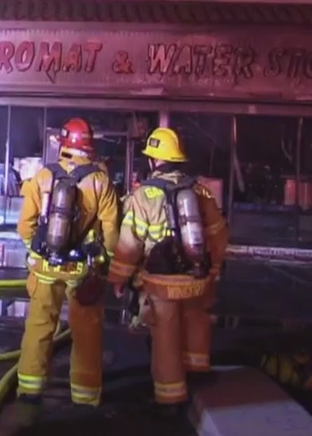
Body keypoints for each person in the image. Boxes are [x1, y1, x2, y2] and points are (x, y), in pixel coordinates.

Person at [108, 127, 230, 413]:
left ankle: (170, 398)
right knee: (196, 320)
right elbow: (218, 235)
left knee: (166, 336)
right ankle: (197, 372)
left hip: (161, 284)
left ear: (154, 161)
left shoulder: (144, 196)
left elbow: (129, 244)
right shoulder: (199, 191)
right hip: (195, 278)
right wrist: (212, 270)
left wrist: (118, 278)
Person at [13, 118, 119, 413]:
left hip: (45, 267)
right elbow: (111, 231)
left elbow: (25, 226)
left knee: (39, 326)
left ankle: (29, 389)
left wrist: (34, 255)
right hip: (81, 270)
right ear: (90, 146)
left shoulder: (43, 176)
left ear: (63, 144)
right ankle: (85, 395)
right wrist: (105, 262)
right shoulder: (101, 182)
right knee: (86, 331)